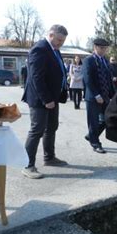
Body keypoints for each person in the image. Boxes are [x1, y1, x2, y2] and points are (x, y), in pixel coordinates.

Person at [21, 24, 69, 179]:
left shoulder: (54, 49)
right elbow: (36, 77)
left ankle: (49, 157)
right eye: (59, 40)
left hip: (52, 98)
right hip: (40, 99)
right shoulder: (40, 49)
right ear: (51, 34)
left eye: (63, 41)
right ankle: (27, 165)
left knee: (51, 127)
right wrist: (46, 99)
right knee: (37, 130)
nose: (61, 43)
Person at [82, 38, 115, 154]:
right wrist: (96, 95)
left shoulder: (105, 61)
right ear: (95, 47)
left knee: (108, 119)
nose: (104, 50)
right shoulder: (88, 60)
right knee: (94, 121)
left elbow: (109, 80)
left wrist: (113, 95)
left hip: (105, 96)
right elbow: (87, 79)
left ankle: (91, 135)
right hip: (93, 97)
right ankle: (95, 143)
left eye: (105, 48)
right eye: (102, 48)